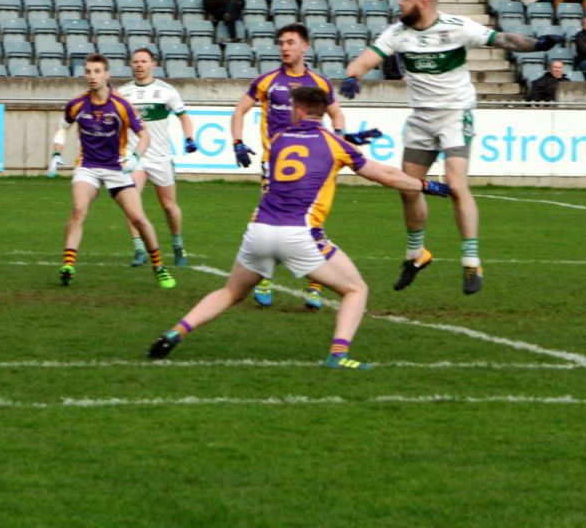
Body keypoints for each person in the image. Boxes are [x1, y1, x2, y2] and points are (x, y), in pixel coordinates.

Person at [147, 86, 450, 371]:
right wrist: (424, 185)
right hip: (299, 234)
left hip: (260, 228)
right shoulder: (335, 144)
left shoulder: (279, 140)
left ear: (301, 112)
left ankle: (176, 332)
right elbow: (385, 175)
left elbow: (305, 155)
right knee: (356, 289)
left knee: (231, 291)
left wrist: (345, 142)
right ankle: (338, 354)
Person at [340, 0, 561, 294]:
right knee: (408, 187)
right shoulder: (398, 33)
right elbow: (366, 59)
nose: (399, 2)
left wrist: (537, 45)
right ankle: (417, 254)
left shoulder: (456, 27)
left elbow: (504, 40)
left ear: (424, 2)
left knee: (457, 186)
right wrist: (352, 76)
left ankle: (471, 262)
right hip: (421, 119)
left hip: (455, 116)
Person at [231, 23, 358, 311]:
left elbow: (336, 114)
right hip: (275, 166)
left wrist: (336, 141)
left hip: (314, 165)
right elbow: (240, 109)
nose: (284, 47)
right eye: (281, 43)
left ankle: (314, 286)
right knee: (267, 217)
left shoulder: (318, 83)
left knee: (312, 221)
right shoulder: (267, 81)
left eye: (290, 42)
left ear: (304, 46)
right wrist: (237, 142)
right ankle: (263, 277)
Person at [47, 53, 174, 290]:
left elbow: (144, 135)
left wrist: (136, 158)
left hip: (117, 168)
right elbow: (62, 129)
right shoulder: (76, 104)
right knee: (78, 209)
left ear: (107, 74)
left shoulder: (121, 104)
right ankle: (68, 265)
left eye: (97, 71)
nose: (92, 76)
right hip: (88, 167)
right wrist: (56, 153)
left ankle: (159, 266)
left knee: (139, 219)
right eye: (88, 72)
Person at [118, 49, 198, 268]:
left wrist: (189, 137)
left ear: (153, 64)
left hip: (161, 157)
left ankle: (178, 245)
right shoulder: (123, 93)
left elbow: (184, 117)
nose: (139, 65)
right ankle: (139, 249)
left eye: (144, 61)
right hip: (135, 157)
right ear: (131, 65)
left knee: (169, 205)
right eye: (135, 62)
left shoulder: (166, 91)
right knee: (131, 204)